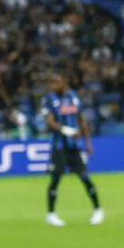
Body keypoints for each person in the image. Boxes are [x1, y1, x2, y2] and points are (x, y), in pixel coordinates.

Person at [43, 74, 103, 227]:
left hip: (74, 147)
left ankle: (98, 210)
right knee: (56, 179)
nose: (53, 85)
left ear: (64, 82)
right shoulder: (49, 99)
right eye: (51, 83)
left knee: (84, 176)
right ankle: (51, 214)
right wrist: (67, 130)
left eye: (56, 82)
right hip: (59, 147)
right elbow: (49, 121)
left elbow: (81, 119)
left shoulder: (74, 97)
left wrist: (88, 142)